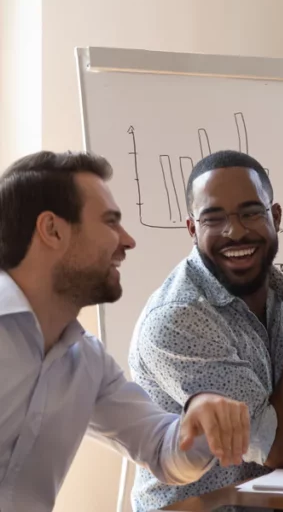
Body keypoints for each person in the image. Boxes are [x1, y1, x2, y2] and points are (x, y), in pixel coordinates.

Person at [0, 151, 251, 512]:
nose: (128, 240)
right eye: (110, 222)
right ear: (52, 230)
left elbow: (164, 452)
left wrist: (201, 414)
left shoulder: (86, 360)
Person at [128, 150, 283, 510]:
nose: (235, 231)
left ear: (275, 216)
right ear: (192, 229)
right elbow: (280, 450)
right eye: (214, 218)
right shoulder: (179, 318)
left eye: (251, 213)